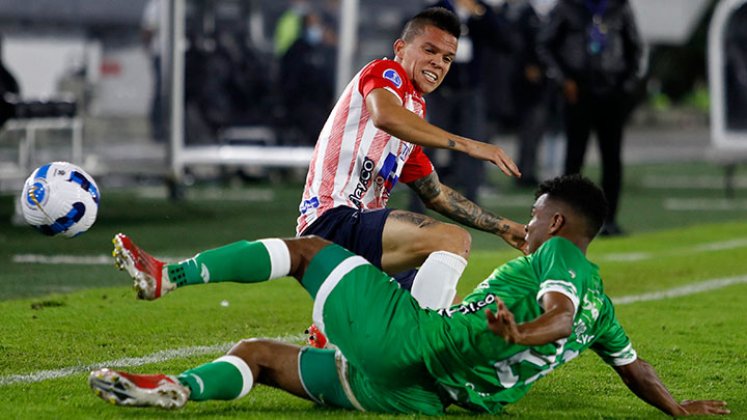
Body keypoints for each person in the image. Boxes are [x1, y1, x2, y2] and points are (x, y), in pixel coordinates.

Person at [89, 175, 728, 416]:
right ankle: (182, 388)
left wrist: (521, 332)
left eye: (535, 216)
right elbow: (632, 365)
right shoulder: (605, 310)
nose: (528, 227)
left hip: (416, 344)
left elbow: (556, 318)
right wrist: (676, 409)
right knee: (256, 353)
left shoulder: (559, 256)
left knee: (308, 250)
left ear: (558, 224)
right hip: (418, 396)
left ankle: (167, 275)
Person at [296, 7, 525, 315]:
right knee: (452, 240)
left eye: (447, 58)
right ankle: (421, 341)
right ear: (400, 48)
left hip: (360, 235)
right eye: (430, 50)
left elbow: (437, 195)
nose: (438, 63)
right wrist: (469, 146)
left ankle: (342, 342)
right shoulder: (385, 73)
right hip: (332, 221)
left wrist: (504, 227)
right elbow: (385, 116)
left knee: (459, 313)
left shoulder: (411, 120)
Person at [536, 0, 643, 236]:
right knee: (574, 159)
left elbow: (635, 48)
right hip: (578, 92)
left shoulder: (620, 7)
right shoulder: (567, 7)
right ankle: (566, 219)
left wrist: (626, 85)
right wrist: (564, 80)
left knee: (612, 159)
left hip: (612, 91)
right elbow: (545, 45)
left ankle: (610, 220)